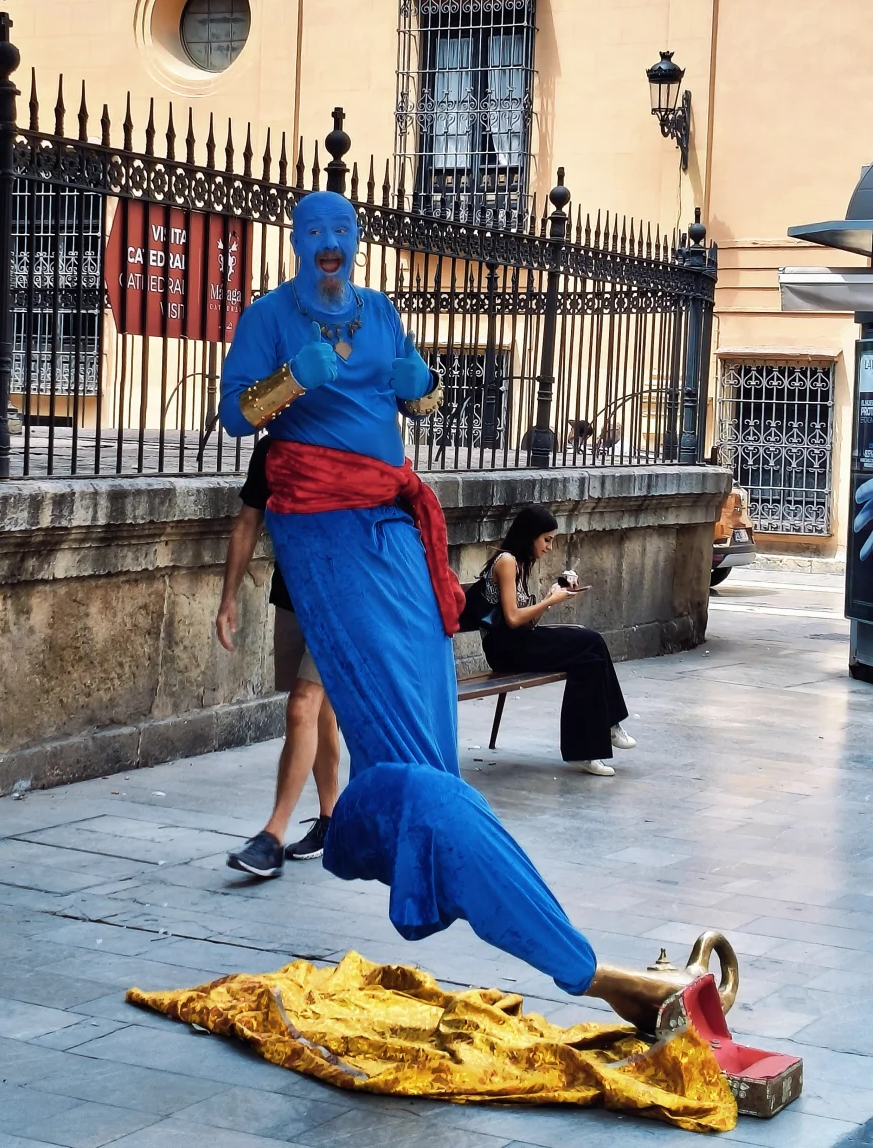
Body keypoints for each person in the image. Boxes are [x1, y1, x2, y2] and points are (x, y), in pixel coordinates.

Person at [217, 187, 713, 1034]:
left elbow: (422, 400)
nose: (330, 242)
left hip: (400, 531)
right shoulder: (269, 317)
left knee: (433, 756)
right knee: (418, 777)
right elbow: (236, 415)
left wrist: (424, 386)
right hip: (326, 534)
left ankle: (394, 841)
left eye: (343, 230)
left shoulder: (379, 311)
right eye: (316, 231)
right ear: (298, 241)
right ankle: (586, 966)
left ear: (356, 239)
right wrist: (293, 378)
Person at [217, 436, 340, 878]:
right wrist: (228, 597)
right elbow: (248, 521)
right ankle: (331, 819)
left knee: (301, 705)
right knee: (320, 712)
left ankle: (272, 835)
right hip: (292, 595)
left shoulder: (349, 439)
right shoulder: (271, 450)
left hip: (341, 599)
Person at [476, 504, 636, 776]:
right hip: (505, 648)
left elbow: (527, 621)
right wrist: (550, 601)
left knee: (590, 659)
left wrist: (552, 596)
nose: (549, 547)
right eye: (547, 540)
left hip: (519, 640)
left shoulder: (519, 563)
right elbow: (512, 619)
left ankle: (585, 752)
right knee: (591, 641)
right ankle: (608, 725)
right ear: (531, 536)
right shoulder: (506, 562)